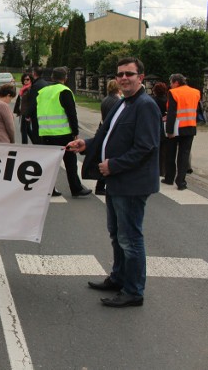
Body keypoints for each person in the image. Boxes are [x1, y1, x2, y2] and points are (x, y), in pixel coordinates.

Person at [68, 57, 160, 308]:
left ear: (141, 77)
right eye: (120, 74)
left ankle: (133, 290)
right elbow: (105, 135)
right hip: (117, 181)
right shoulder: (123, 104)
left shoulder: (145, 105)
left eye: (129, 74)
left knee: (130, 238)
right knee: (117, 234)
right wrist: (86, 144)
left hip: (132, 182)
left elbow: (146, 147)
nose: (123, 78)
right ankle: (119, 277)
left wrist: (114, 165)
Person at [36, 67, 91, 197]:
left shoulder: (42, 91)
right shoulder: (64, 91)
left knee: (50, 164)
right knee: (70, 162)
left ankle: (49, 189)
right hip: (62, 133)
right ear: (65, 78)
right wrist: (75, 131)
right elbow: (71, 113)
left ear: (52, 77)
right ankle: (76, 188)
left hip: (45, 133)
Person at [163, 73, 201, 190]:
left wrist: (169, 131)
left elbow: (172, 113)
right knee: (184, 154)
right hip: (190, 126)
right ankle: (181, 181)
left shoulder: (174, 93)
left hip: (176, 127)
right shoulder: (196, 92)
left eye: (171, 83)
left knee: (170, 153)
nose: (170, 85)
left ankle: (169, 178)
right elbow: (198, 109)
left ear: (176, 82)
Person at [95, 79, 122, 195]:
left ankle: (100, 185)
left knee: (104, 158)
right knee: (110, 160)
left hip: (103, 130)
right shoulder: (117, 101)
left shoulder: (105, 99)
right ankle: (102, 186)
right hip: (111, 132)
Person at [25, 66, 51, 144]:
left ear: (34, 73)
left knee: (36, 133)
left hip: (37, 113)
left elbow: (34, 101)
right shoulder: (46, 84)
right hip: (45, 111)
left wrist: (27, 114)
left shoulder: (36, 85)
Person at [151, 82, 169, 178]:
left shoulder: (153, 101)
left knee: (155, 149)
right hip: (165, 126)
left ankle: (156, 169)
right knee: (164, 150)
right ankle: (163, 170)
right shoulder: (167, 100)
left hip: (155, 126)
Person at [13, 73, 33, 144]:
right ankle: (36, 142)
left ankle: (24, 145)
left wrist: (29, 114)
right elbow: (19, 101)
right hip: (23, 112)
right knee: (27, 130)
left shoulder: (30, 89)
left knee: (23, 130)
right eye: (24, 79)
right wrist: (18, 111)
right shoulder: (23, 89)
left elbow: (31, 102)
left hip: (26, 113)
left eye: (27, 79)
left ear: (31, 80)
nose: (25, 80)